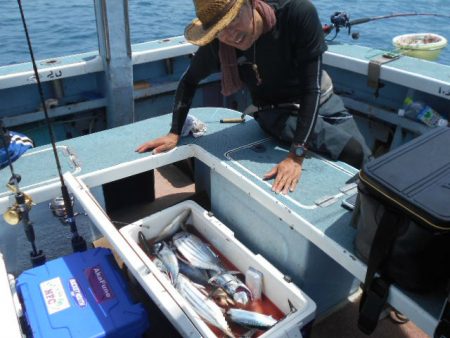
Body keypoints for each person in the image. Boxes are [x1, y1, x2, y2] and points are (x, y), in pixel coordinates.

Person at [136, 0, 371, 194]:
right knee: (352, 151)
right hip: (276, 111)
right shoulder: (219, 45)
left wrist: (296, 155)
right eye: (219, 29)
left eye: (233, 19)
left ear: (250, 3)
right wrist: (175, 132)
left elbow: (312, 88)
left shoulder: (297, 13)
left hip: (322, 99)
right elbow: (188, 81)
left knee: (368, 161)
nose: (230, 35)